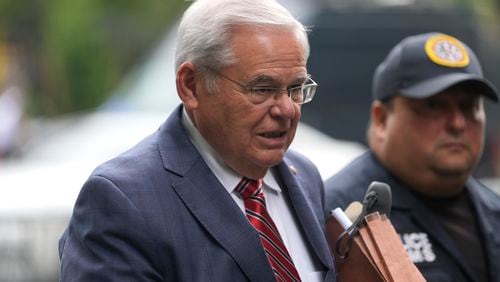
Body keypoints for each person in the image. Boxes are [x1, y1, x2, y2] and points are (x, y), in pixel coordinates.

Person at [58, 0, 335, 281]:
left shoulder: (304, 177)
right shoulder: (122, 201)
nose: (287, 109)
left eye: (297, 88)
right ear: (190, 85)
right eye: (262, 89)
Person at [324, 32, 500, 282]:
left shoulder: (493, 210)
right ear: (382, 119)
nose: (457, 123)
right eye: (434, 106)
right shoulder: (337, 216)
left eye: (469, 106)